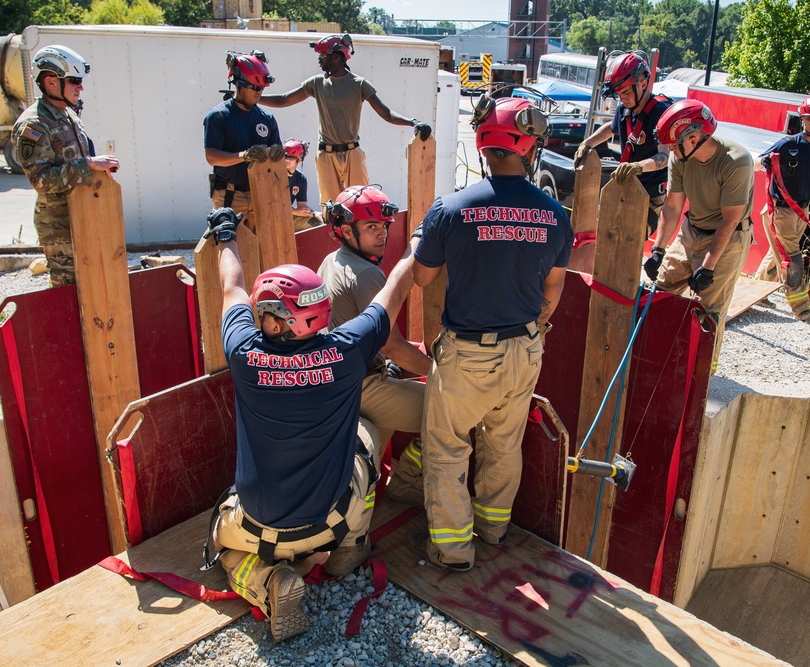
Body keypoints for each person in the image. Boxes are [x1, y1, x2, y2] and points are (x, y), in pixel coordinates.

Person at [203, 207, 419, 640]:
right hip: (332, 519)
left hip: (260, 527)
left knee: (218, 543)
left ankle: (268, 583)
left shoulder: (245, 355)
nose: (253, 312)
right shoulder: (346, 350)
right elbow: (392, 292)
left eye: (260, 310)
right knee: (368, 435)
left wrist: (225, 236)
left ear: (275, 319)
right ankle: (350, 548)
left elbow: (231, 286)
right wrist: (417, 243)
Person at [410, 95, 573, 571]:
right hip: (525, 348)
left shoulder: (451, 210)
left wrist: (423, 236)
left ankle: (453, 550)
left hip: (468, 354)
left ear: (483, 146)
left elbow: (421, 278)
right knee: (504, 444)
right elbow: (552, 294)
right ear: (525, 148)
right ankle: (494, 528)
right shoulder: (554, 215)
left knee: (446, 448)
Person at [316, 185, 432, 507]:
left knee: (369, 465)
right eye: (371, 227)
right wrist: (439, 372)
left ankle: (365, 506)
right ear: (345, 231)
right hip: (364, 386)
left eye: (383, 227)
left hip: (339, 383)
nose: (382, 235)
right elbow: (392, 346)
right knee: (449, 412)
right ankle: (407, 480)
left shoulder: (330, 261)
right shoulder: (367, 275)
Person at [644, 100, 754, 373]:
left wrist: (708, 266)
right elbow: (672, 205)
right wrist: (658, 250)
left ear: (693, 138)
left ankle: (702, 372)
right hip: (692, 230)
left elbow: (730, 220)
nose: (670, 149)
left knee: (709, 309)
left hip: (729, 238)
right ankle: (654, 357)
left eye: (673, 144)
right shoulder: (681, 157)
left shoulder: (736, 161)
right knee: (660, 292)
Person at [259, 34, 432, 205]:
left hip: (352, 154)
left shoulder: (359, 84)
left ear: (336, 56)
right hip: (326, 155)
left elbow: (386, 113)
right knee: (331, 207)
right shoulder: (317, 83)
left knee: (361, 203)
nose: (319, 60)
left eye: (322, 56)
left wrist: (413, 122)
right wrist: (255, 96)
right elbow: (283, 100)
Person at [11, 45, 120, 287]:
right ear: (51, 82)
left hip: (83, 215)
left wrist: (95, 168)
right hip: (59, 226)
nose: (80, 87)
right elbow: (40, 180)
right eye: (74, 80)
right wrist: (88, 165)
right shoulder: (34, 124)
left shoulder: (67, 115)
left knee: (93, 286)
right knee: (69, 289)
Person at [754, 95, 810, 321]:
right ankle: (801, 308)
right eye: (808, 118)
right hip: (780, 210)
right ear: (802, 119)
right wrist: (764, 162)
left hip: (801, 212)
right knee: (792, 256)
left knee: (776, 254)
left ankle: (757, 290)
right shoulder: (788, 144)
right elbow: (757, 162)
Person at [573, 52, 672, 234]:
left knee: (628, 238)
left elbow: (665, 156)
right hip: (623, 185)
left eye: (626, 92)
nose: (622, 98)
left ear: (643, 84)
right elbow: (611, 128)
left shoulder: (661, 112)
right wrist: (587, 144)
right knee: (606, 235)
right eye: (619, 94)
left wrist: (638, 166)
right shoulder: (624, 110)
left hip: (649, 193)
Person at [203, 51, 283, 234]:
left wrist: (279, 153)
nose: (259, 93)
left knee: (263, 252)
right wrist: (244, 155)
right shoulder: (219, 116)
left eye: (261, 88)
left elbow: (275, 153)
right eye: (254, 88)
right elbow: (212, 157)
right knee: (230, 250)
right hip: (230, 196)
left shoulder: (267, 118)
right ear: (238, 84)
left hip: (261, 194)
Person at [283, 138, 323, 231]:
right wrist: (295, 211)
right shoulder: (274, 175)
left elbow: (302, 208)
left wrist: (315, 214)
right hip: (272, 217)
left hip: (288, 216)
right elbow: (272, 205)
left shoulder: (300, 179)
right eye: (285, 157)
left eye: (291, 158)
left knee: (316, 222)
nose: (287, 160)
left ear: (300, 159)